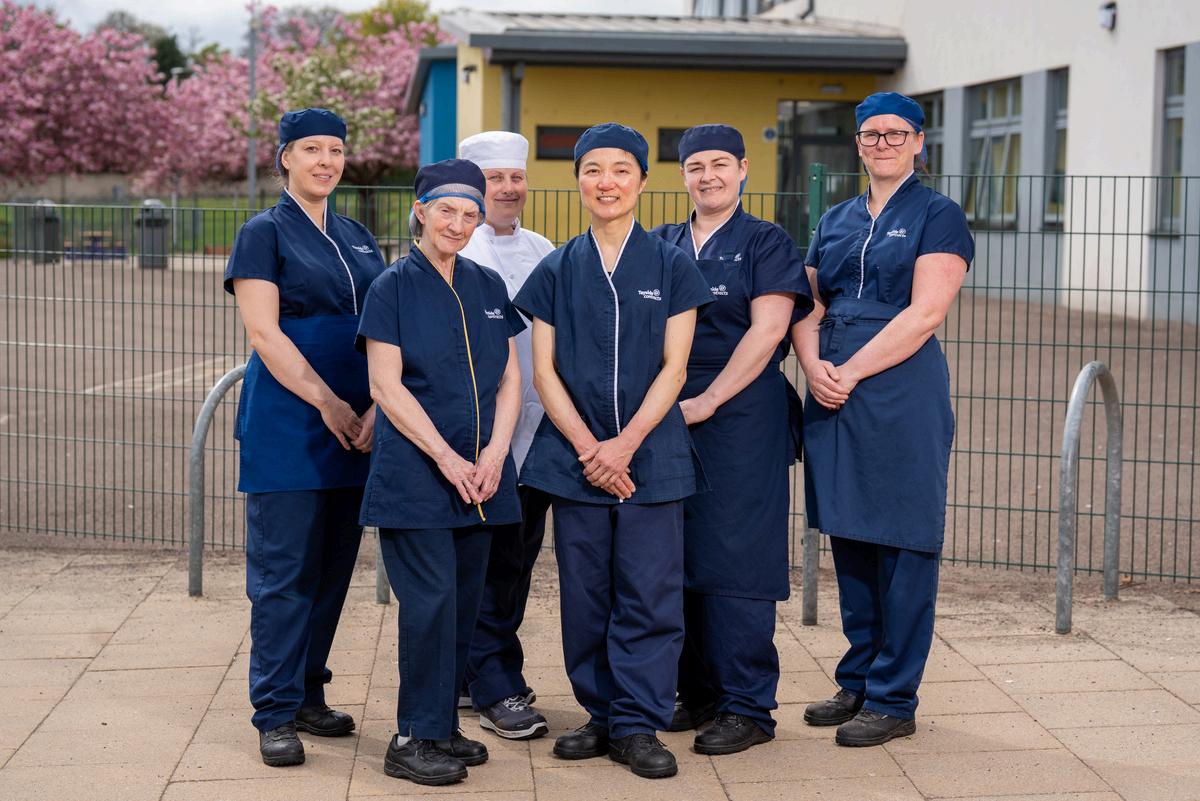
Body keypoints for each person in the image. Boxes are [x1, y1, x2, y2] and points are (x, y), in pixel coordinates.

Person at [513, 122, 713, 780]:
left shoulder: (673, 265)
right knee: (586, 593)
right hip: (575, 462)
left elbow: (676, 367)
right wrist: (589, 449)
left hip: (651, 457)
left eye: (621, 169)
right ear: (577, 181)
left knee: (650, 593)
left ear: (643, 181)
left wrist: (624, 446)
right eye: (593, 169)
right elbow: (544, 372)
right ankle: (600, 714)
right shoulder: (555, 268)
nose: (607, 182)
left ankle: (636, 722)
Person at [792, 92, 974, 747]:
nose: (883, 144)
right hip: (831, 385)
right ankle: (860, 679)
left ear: (919, 142)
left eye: (896, 134)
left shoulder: (938, 214)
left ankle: (895, 697)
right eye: (871, 134)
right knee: (850, 532)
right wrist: (813, 366)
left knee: (902, 539)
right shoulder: (835, 218)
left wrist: (850, 370)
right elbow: (807, 302)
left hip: (897, 387)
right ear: (858, 143)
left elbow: (926, 312)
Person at [224, 107, 385, 767]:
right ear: (285, 156)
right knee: (284, 574)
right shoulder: (262, 233)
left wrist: (373, 406)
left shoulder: (357, 236)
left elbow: (381, 328)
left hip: (356, 428)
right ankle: (274, 710)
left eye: (336, 150)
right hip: (292, 427)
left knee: (331, 570)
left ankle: (308, 692)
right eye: (312, 149)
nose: (326, 161)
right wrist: (329, 402)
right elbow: (264, 332)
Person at [356, 158, 525, 786]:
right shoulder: (392, 287)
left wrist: (496, 453)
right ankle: (412, 738)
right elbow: (386, 386)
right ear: (420, 212)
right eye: (446, 211)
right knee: (428, 606)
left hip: (482, 478)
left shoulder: (487, 285)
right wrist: (449, 459)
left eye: (470, 213)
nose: (457, 223)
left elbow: (511, 379)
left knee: (463, 606)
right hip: (418, 476)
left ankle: (442, 725)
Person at [651, 124, 812, 755]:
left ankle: (747, 705)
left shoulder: (765, 241)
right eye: (696, 166)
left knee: (738, 554)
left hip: (740, 411)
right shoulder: (662, 242)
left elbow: (768, 331)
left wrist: (708, 401)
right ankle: (697, 692)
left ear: (743, 169)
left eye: (720, 164)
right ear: (683, 176)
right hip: (670, 406)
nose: (708, 176)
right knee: (680, 549)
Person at [455, 131, 556, 740]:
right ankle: (496, 683)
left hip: (539, 434)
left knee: (518, 561)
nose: (509, 188)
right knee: (488, 565)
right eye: (495, 179)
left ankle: (474, 674)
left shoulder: (544, 249)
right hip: (478, 438)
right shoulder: (457, 249)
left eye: (516, 177)